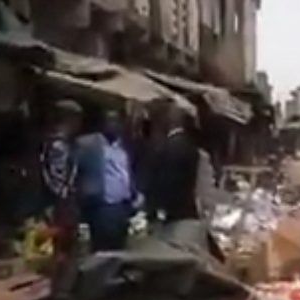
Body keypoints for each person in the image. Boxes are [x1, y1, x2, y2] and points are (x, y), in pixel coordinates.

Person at [150, 106, 224, 261]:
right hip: (189, 214)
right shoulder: (192, 148)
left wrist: (157, 210)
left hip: (175, 216)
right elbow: (203, 185)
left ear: (171, 121)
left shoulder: (166, 147)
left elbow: (165, 182)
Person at [77, 110, 140, 252]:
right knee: (102, 250)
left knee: (120, 249)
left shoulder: (125, 146)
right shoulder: (88, 144)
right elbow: (76, 169)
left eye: (116, 121)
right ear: (102, 123)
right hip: (101, 205)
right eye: (109, 120)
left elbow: (127, 171)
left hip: (123, 206)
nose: (113, 125)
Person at [40, 100, 82, 289]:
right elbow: (58, 179)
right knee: (62, 249)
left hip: (63, 204)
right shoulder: (58, 146)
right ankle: (58, 289)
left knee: (66, 248)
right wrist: (66, 199)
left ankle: (60, 287)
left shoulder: (61, 144)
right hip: (61, 206)